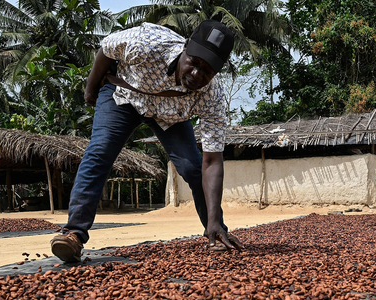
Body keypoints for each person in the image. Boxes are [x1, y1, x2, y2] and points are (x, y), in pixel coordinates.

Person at [51, 20, 244, 263]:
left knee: (193, 169)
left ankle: (215, 229)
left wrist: (215, 221)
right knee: (100, 151)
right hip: (124, 96)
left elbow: (212, 161)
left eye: (207, 71)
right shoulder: (147, 44)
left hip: (170, 115)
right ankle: (73, 233)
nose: (197, 74)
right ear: (185, 47)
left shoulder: (212, 96)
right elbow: (106, 50)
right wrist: (90, 89)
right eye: (194, 63)